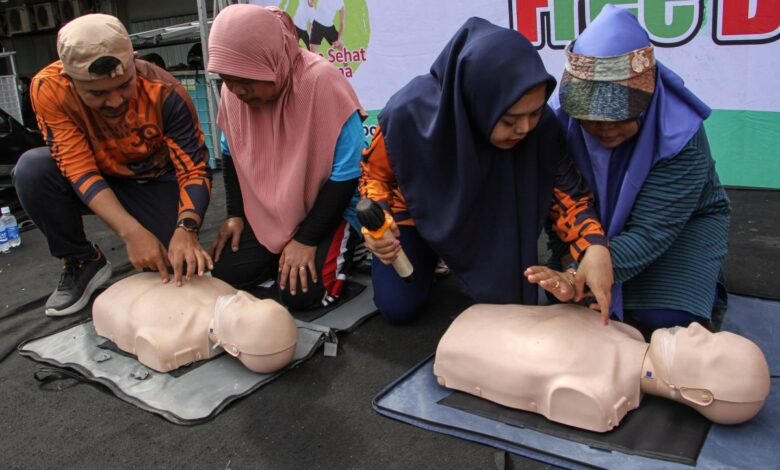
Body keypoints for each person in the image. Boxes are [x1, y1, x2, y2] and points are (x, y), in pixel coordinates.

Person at [360, 17, 613, 325]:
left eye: (534, 113)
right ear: (476, 101)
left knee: (510, 306)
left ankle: (457, 256)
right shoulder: (407, 114)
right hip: (416, 209)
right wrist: (380, 225)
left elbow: (568, 197)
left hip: (490, 215)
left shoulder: (542, 128)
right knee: (398, 308)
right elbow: (374, 176)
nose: (524, 128)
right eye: (509, 120)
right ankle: (433, 255)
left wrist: (593, 245)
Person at [541, 5, 731, 330]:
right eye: (590, 118)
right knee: (564, 302)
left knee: (667, 321)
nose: (605, 129)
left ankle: (706, 280)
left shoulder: (680, 131)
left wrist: (577, 273)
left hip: (677, 228)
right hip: (593, 227)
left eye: (620, 115)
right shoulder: (557, 121)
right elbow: (559, 202)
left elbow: (652, 231)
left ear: (646, 99)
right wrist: (573, 260)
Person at [12, 14, 213, 317]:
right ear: (69, 79)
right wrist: (132, 233)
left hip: (152, 179)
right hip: (97, 176)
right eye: (98, 93)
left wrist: (187, 228)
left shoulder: (165, 92)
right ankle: (81, 260)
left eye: (123, 85)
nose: (115, 101)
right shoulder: (49, 89)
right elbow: (76, 168)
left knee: (177, 265)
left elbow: (193, 169)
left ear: (134, 61)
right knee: (32, 169)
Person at [207, 5, 364, 311]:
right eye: (227, 77)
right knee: (228, 273)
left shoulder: (321, 83)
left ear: (270, 60)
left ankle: (346, 245)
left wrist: (306, 240)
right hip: (268, 210)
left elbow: (347, 174)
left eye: (246, 79)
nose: (237, 90)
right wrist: (235, 214)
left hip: (328, 207)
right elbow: (229, 154)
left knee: (302, 295)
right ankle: (283, 253)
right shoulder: (232, 93)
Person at [435, 303, 770, 432]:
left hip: (464, 345)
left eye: (708, 348)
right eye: (713, 335)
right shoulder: (629, 333)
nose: (698, 330)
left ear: (700, 395)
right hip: (480, 319)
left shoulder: (599, 396)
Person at [93, 272, 298, 374]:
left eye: (241, 313)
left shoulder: (178, 338)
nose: (243, 297)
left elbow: (150, 345)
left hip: (117, 301)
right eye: (254, 302)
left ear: (233, 349)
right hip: (143, 282)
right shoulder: (226, 290)